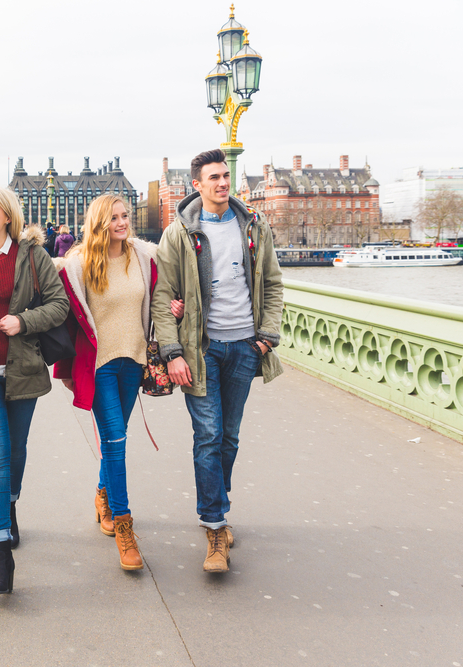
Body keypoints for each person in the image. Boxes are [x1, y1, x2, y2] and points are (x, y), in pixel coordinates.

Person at [150, 148, 284, 573]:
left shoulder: (254, 227)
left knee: (229, 436)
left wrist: (265, 338)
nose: (223, 183)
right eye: (214, 178)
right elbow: (161, 296)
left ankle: (217, 504)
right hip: (201, 351)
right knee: (207, 436)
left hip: (244, 346)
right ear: (197, 185)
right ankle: (214, 527)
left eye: (226, 176)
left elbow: (273, 284)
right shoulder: (179, 234)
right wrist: (172, 353)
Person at [0, 188, 69, 595]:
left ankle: (11, 503)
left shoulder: (33, 256)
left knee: (16, 453)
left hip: (21, 371)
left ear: (8, 216)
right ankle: (2, 555)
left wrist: (23, 321)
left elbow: (60, 305)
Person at [52, 194, 158, 572]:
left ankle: (102, 493)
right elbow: (63, 314)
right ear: (99, 222)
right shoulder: (78, 264)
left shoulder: (143, 256)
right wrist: (65, 370)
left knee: (119, 437)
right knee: (115, 440)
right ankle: (124, 525)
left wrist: (174, 307)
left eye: (125, 215)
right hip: (99, 365)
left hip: (134, 360)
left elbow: (166, 288)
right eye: (114, 217)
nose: (122, 222)